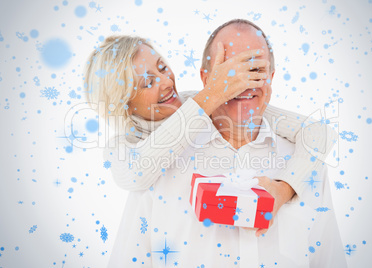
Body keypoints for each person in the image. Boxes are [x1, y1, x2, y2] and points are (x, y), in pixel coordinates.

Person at [83, 19, 345, 267]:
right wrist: (214, 93)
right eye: (230, 72)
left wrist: (285, 188)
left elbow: (318, 131)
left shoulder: (305, 160)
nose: (165, 82)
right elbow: (135, 173)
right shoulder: (142, 160)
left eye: (163, 68)